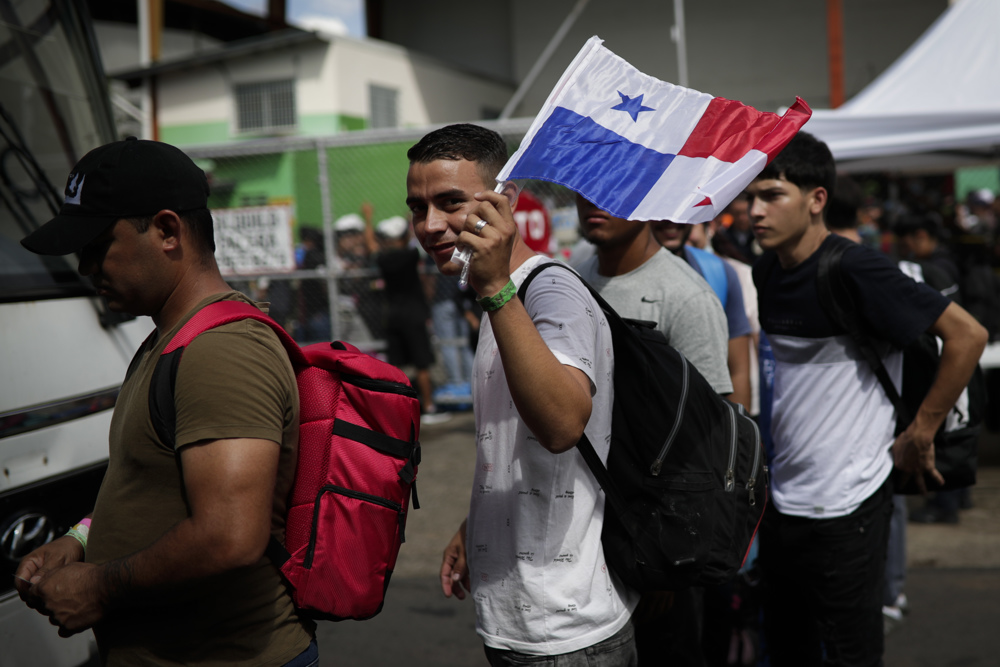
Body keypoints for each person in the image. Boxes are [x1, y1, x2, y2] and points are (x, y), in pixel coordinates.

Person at [16, 137, 317, 666]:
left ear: (167, 231)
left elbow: (229, 536)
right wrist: (82, 540)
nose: (85, 267)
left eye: (95, 244)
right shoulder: (170, 338)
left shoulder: (222, 351)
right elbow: (155, 488)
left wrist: (100, 586)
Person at [749, 132, 987, 666]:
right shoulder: (767, 270)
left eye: (772, 195)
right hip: (784, 504)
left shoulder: (857, 268)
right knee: (787, 650)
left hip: (850, 504)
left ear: (817, 200)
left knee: (852, 654)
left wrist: (922, 430)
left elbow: (967, 335)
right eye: (752, 198)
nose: (755, 210)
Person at [407, 123, 638, 664]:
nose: (431, 225)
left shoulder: (550, 291)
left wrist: (494, 290)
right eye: (419, 207)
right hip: (518, 620)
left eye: (450, 202)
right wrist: (478, 523)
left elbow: (562, 426)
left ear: (505, 200)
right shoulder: (500, 296)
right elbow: (517, 446)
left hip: (567, 632)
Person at [572, 195, 731, 667]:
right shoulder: (571, 280)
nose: (591, 203)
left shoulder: (685, 295)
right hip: (581, 534)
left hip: (658, 549)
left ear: (647, 197)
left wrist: (668, 562)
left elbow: (709, 442)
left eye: (608, 190)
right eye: (583, 189)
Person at [650, 220, 753, 412]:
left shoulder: (718, 271)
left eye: (679, 208)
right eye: (661, 209)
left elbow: (738, 371)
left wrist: (740, 435)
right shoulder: (602, 272)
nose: (670, 220)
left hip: (708, 427)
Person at [363, 212, 449, 424]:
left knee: (396, 366)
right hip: (414, 316)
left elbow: (372, 246)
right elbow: (416, 240)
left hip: (393, 317)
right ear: (403, 237)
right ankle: (428, 407)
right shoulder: (411, 256)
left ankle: (397, 412)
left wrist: (367, 218)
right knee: (422, 364)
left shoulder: (383, 259)